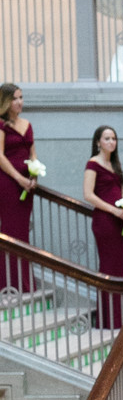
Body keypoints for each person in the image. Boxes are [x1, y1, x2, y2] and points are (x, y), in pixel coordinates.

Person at [84, 125, 123, 329]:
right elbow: (88, 194)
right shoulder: (93, 164)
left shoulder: (115, 164)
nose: (111, 142)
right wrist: (113, 210)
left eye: (114, 138)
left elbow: (121, 191)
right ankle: (109, 319)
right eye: (107, 138)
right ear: (98, 142)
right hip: (105, 221)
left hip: (120, 221)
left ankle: (120, 317)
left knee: (119, 268)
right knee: (109, 268)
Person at [0, 82, 40, 293]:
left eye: (21, 97)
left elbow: (33, 154)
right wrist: (18, 178)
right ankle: (9, 284)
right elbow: (0, 156)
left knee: (22, 233)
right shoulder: (1, 124)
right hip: (7, 182)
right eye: (15, 98)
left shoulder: (27, 124)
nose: (19, 102)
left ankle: (24, 283)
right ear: (6, 101)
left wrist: (33, 175)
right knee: (11, 232)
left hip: (27, 184)